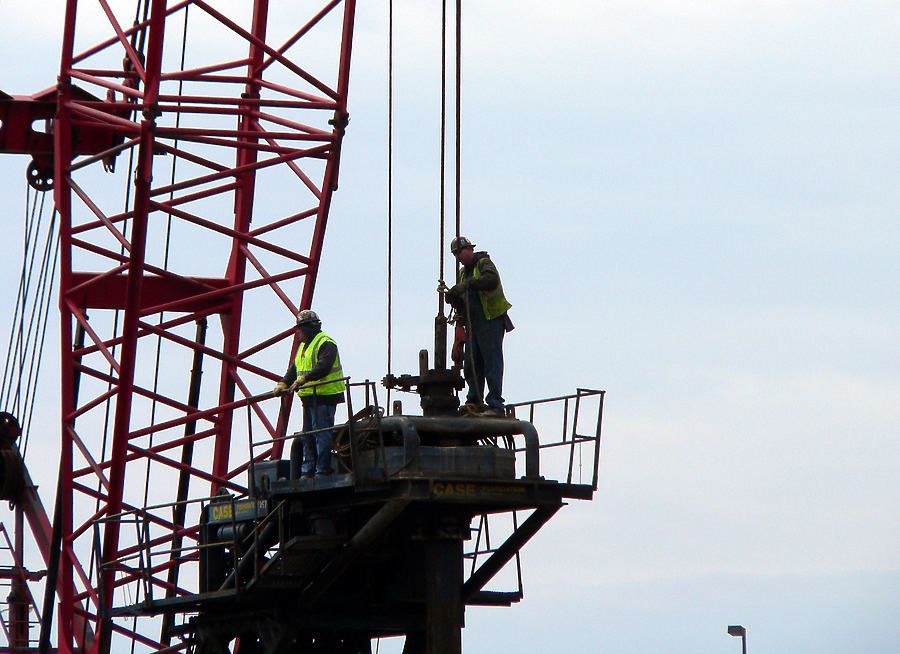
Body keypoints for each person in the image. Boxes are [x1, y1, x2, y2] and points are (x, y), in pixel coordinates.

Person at [445, 236, 513, 416]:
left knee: (491, 363)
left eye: (460, 252)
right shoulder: (462, 273)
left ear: (469, 249)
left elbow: (491, 280)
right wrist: (454, 298)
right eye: (455, 254)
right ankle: (474, 401)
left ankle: (495, 405)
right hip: (473, 324)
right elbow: (464, 302)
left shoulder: (483, 264)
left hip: (490, 321)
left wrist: (468, 285)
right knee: (472, 364)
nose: (458, 256)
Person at [273, 310, 346, 478]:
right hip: (308, 398)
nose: (298, 333)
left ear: (309, 328)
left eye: (300, 329)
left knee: (321, 435)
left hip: (324, 396)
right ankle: (309, 471)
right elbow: (294, 369)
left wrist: (304, 379)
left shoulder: (326, 343)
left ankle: (322, 471)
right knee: (308, 436)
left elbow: (324, 367)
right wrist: (283, 383)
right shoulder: (303, 348)